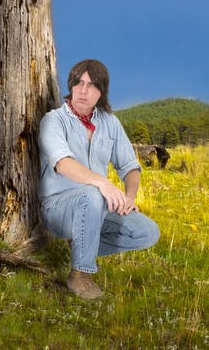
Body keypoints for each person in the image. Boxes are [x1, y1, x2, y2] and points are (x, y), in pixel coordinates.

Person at [38, 58, 160, 300]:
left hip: (98, 208)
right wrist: (103, 183)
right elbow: (62, 163)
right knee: (92, 193)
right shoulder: (53, 120)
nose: (84, 91)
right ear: (71, 85)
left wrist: (129, 197)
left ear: (101, 92)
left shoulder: (110, 123)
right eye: (80, 83)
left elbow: (129, 166)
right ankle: (80, 275)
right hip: (57, 209)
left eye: (93, 85)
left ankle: (80, 245)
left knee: (147, 231)